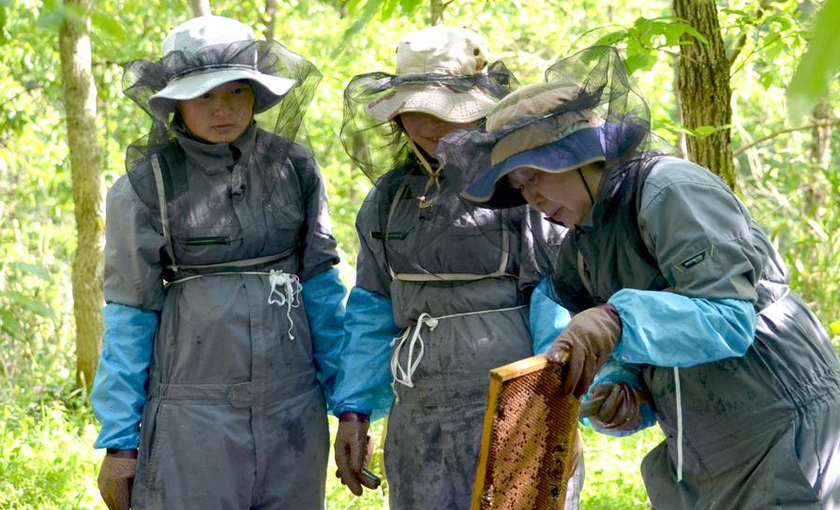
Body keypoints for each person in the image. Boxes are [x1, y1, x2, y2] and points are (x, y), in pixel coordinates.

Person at [443, 46, 840, 510]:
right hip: (705, 443)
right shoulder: (582, 245)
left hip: (784, 420)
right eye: (520, 187)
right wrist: (627, 391)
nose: (533, 197)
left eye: (536, 176)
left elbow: (727, 320)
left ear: (582, 156)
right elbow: (652, 346)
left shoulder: (670, 190)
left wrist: (615, 319)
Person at [92, 15, 345, 510]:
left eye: (236, 92)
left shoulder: (294, 167)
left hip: (293, 407)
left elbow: (322, 286)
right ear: (174, 102)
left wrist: (351, 407)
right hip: (192, 412)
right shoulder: (147, 186)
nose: (223, 109)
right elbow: (130, 314)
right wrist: (120, 441)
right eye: (204, 95)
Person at [331, 26, 580, 509]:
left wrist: (557, 401)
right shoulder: (388, 198)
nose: (430, 126)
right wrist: (354, 410)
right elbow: (372, 308)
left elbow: (555, 296)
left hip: (518, 399)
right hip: (419, 411)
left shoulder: (523, 184)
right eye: (416, 110)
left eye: (445, 110)